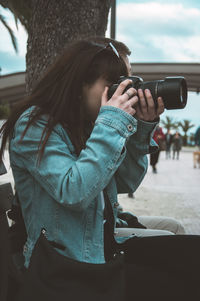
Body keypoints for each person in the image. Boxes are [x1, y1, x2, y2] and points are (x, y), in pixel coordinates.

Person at [1, 37, 200, 299]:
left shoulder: (87, 122)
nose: (124, 93)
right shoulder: (35, 124)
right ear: (79, 84)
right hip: (67, 267)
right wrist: (112, 123)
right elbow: (74, 191)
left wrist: (141, 129)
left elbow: (126, 182)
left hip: (100, 246)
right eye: (114, 84)